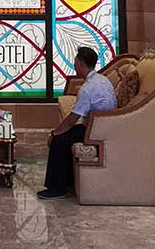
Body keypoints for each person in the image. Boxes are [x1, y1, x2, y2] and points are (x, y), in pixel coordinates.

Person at [37, 47, 116, 200]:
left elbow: (72, 119)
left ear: (81, 64)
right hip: (105, 127)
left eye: (75, 62)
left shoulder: (87, 89)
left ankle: (57, 189)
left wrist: (54, 133)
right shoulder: (102, 79)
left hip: (95, 132)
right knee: (67, 135)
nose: (74, 65)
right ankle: (67, 182)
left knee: (59, 141)